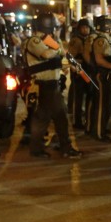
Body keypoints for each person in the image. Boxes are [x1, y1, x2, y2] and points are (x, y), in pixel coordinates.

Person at [23, 13, 81, 160]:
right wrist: (57, 47)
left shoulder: (50, 41)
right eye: (55, 27)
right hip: (42, 85)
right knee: (53, 117)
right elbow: (47, 55)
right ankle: (63, 148)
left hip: (52, 85)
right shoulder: (34, 41)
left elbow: (61, 57)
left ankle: (44, 148)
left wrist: (69, 64)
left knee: (48, 118)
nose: (57, 30)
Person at [89, 16, 111, 142]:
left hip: (106, 75)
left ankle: (100, 129)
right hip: (101, 75)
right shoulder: (101, 40)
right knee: (101, 106)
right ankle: (99, 133)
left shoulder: (106, 40)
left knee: (107, 104)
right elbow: (99, 60)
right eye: (110, 26)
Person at [67, 18, 91, 130]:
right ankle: (77, 122)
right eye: (83, 27)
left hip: (88, 70)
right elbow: (70, 57)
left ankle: (87, 119)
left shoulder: (90, 39)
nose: (85, 29)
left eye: (87, 27)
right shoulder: (76, 40)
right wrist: (76, 70)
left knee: (88, 96)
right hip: (80, 70)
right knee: (78, 97)